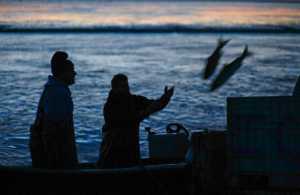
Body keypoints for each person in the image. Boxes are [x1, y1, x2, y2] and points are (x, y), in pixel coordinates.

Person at [97, 74, 174, 168]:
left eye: (127, 86)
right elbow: (129, 120)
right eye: (122, 87)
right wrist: (148, 111)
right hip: (112, 155)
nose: (126, 89)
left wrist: (165, 98)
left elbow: (155, 104)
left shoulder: (134, 100)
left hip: (131, 154)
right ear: (114, 88)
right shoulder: (109, 107)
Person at [29, 51, 78, 169]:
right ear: (63, 73)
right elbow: (53, 132)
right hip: (54, 158)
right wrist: (56, 163)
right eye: (72, 71)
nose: (75, 73)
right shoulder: (58, 93)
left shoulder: (54, 89)